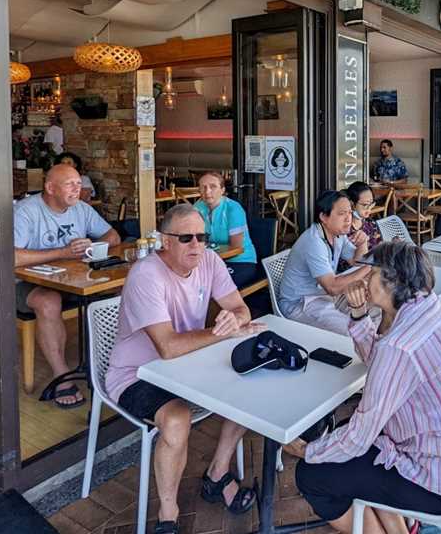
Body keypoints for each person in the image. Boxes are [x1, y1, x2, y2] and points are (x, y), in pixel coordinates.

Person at [285, 241, 441, 534]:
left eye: (369, 272)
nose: (362, 279)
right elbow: (381, 364)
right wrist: (360, 314)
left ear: (392, 280)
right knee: (346, 437)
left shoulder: (400, 346)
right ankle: (402, 527)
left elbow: (359, 438)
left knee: (312, 474)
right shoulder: (431, 308)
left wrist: (307, 450)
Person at [105, 204, 264, 534]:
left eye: (202, 237)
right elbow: (168, 346)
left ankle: (218, 474)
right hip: (136, 373)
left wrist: (234, 318)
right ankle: (168, 513)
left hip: (188, 366)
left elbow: (240, 307)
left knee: (250, 387)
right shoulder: (146, 274)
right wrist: (221, 332)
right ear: (165, 241)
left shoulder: (209, 260)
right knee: (177, 420)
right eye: (186, 238)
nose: (197, 245)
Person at [14, 164, 121, 408]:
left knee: (121, 288)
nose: (78, 188)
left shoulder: (81, 209)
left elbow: (112, 236)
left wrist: (91, 248)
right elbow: (13, 257)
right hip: (27, 283)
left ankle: (111, 363)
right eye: (69, 184)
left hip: (72, 279)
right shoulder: (26, 212)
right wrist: (62, 252)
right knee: (48, 301)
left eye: (78, 183)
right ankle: (61, 375)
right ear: (50, 188)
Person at [277, 190, 372, 334]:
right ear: (323, 217)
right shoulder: (313, 241)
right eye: (341, 214)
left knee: (375, 307)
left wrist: (362, 243)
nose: (348, 218)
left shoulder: (338, 234)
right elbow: (332, 287)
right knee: (353, 331)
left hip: (323, 296)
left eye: (350, 212)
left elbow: (356, 261)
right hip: (301, 303)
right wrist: (370, 267)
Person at [194, 171, 258, 287]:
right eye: (203, 187)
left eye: (213, 186)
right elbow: (192, 235)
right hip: (211, 261)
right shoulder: (198, 207)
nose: (207, 191)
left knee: (211, 286)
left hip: (240, 262)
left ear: (222, 190)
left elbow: (236, 248)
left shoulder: (233, 209)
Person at [337, 181, 381, 274]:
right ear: (352, 205)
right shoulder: (343, 229)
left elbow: (377, 250)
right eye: (365, 205)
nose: (369, 209)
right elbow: (343, 264)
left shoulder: (371, 225)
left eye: (371, 204)